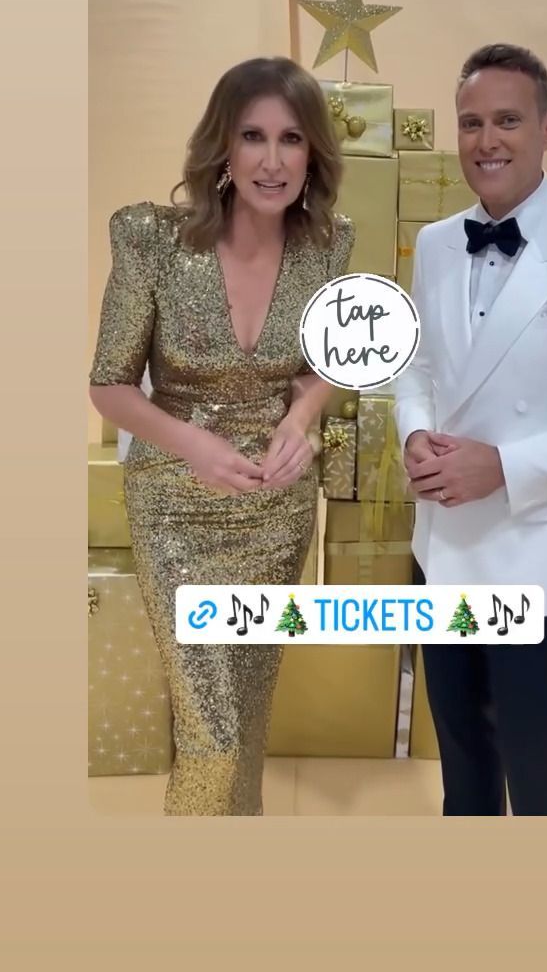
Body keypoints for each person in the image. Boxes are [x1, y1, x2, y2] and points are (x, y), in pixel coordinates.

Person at [89, 57, 355, 816]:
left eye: (291, 139)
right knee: (212, 731)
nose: (272, 160)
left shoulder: (328, 246)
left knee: (247, 710)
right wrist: (193, 446)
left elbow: (327, 365)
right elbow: (108, 385)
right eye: (252, 136)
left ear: (313, 154)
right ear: (223, 148)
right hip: (175, 509)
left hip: (276, 511)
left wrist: (301, 420)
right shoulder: (152, 240)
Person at [393, 43, 547, 816]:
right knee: (461, 756)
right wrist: (415, 432)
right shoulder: (436, 243)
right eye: (471, 123)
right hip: (443, 548)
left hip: (536, 557)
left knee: (535, 763)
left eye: (507, 121)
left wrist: (503, 466)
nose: (486, 140)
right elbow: (417, 367)